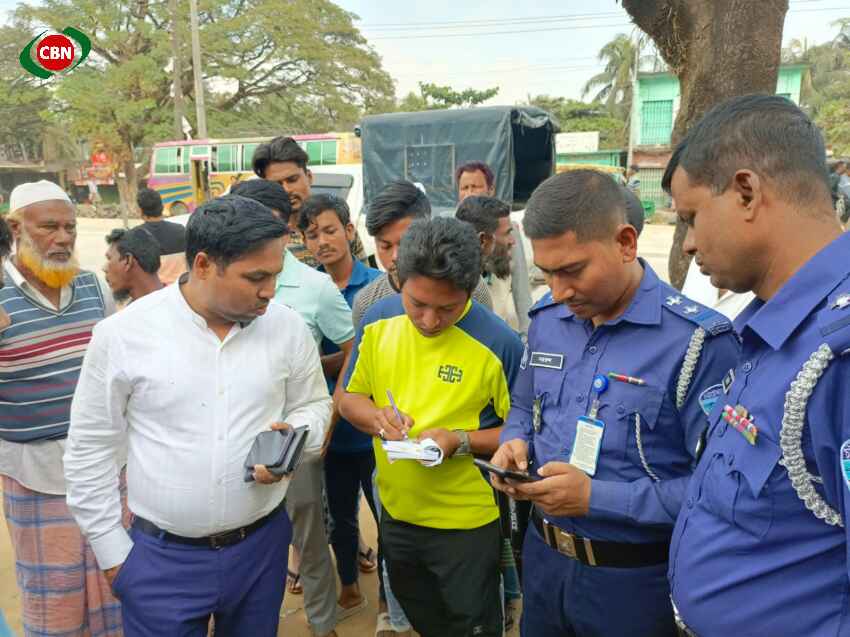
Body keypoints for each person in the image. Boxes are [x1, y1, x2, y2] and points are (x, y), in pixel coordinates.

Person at [65, 195, 333, 636]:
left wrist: (293, 438)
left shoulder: (287, 328)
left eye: (276, 275)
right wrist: (115, 556)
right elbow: (89, 449)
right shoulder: (123, 335)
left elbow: (315, 405)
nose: (270, 290)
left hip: (261, 550)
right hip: (159, 561)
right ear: (205, 265)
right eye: (256, 277)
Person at [490, 169, 740, 637]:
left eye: (572, 270)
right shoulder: (548, 321)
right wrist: (515, 443)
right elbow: (523, 407)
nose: (558, 291)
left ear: (626, 243)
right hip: (544, 567)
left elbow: (719, 490)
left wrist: (595, 498)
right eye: (547, 273)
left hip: (633, 585)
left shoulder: (697, 344)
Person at [661, 95, 850, 636]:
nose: (689, 244)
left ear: (746, 192)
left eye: (692, 217)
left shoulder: (838, 352)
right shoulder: (774, 325)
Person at [340, 217, 524, 637]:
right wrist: (377, 418)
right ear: (398, 280)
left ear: (470, 290)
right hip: (397, 514)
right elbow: (349, 399)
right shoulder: (377, 320)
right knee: (422, 616)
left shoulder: (499, 343)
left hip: (467, 523)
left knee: (472, 624)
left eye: (447, 308)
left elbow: (524, 433)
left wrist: (460, 440)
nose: (429, 320)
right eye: (417, 303)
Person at [231, 178, 354, 637]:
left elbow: (353, 348)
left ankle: (323, 625)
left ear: (284, 227)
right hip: (231, 436)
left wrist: (329, 413)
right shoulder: (219, 285)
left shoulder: (315, 287)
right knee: (240, 542)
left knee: (308, 537)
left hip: (292, 438)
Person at [0, 180, 118, 637]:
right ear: (16, 228)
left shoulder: (93, 286)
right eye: (49, 227)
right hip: (35, 474)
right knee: (55, 596)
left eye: (69, 227)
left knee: (117, 583)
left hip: (108, 467)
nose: (63, 238)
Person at [298, 193, 384, 619]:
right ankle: (348, 583)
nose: (322, 242)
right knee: (340, 516)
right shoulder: (308, 289)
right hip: (329, 434)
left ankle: (388, 596)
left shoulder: (378, 286)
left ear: (350, 231)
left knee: (386, 516)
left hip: (374, 427)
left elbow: (372, 353)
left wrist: (327, 361)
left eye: (330, 231)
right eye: (312, 235)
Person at [352, 180, 493, 328]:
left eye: (406, 242)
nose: (395, 256)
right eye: (385, 246)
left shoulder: (471, 288)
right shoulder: (366, 304)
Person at [251, 136, 368, 267]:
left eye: (292, 180)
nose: (287, 189)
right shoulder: (265, 238)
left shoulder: (339, 226)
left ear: (309, 177)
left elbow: (367, 278)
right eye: (277, 184)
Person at [456, 195, 526, 331]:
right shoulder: (471, 291)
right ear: (483, 240)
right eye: (507, 233)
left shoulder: (491, 272)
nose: (512, 241)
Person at [136, 187, 187, 284]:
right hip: (181, 287)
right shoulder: (181, 230)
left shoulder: (136, 236)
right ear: (162, 207)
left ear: (141, 211)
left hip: (153, 290)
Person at [103, 226, 164, 303]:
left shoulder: (141, 309)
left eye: (109, 259)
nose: (104, 268)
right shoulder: (175, 299)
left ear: (128, 261)